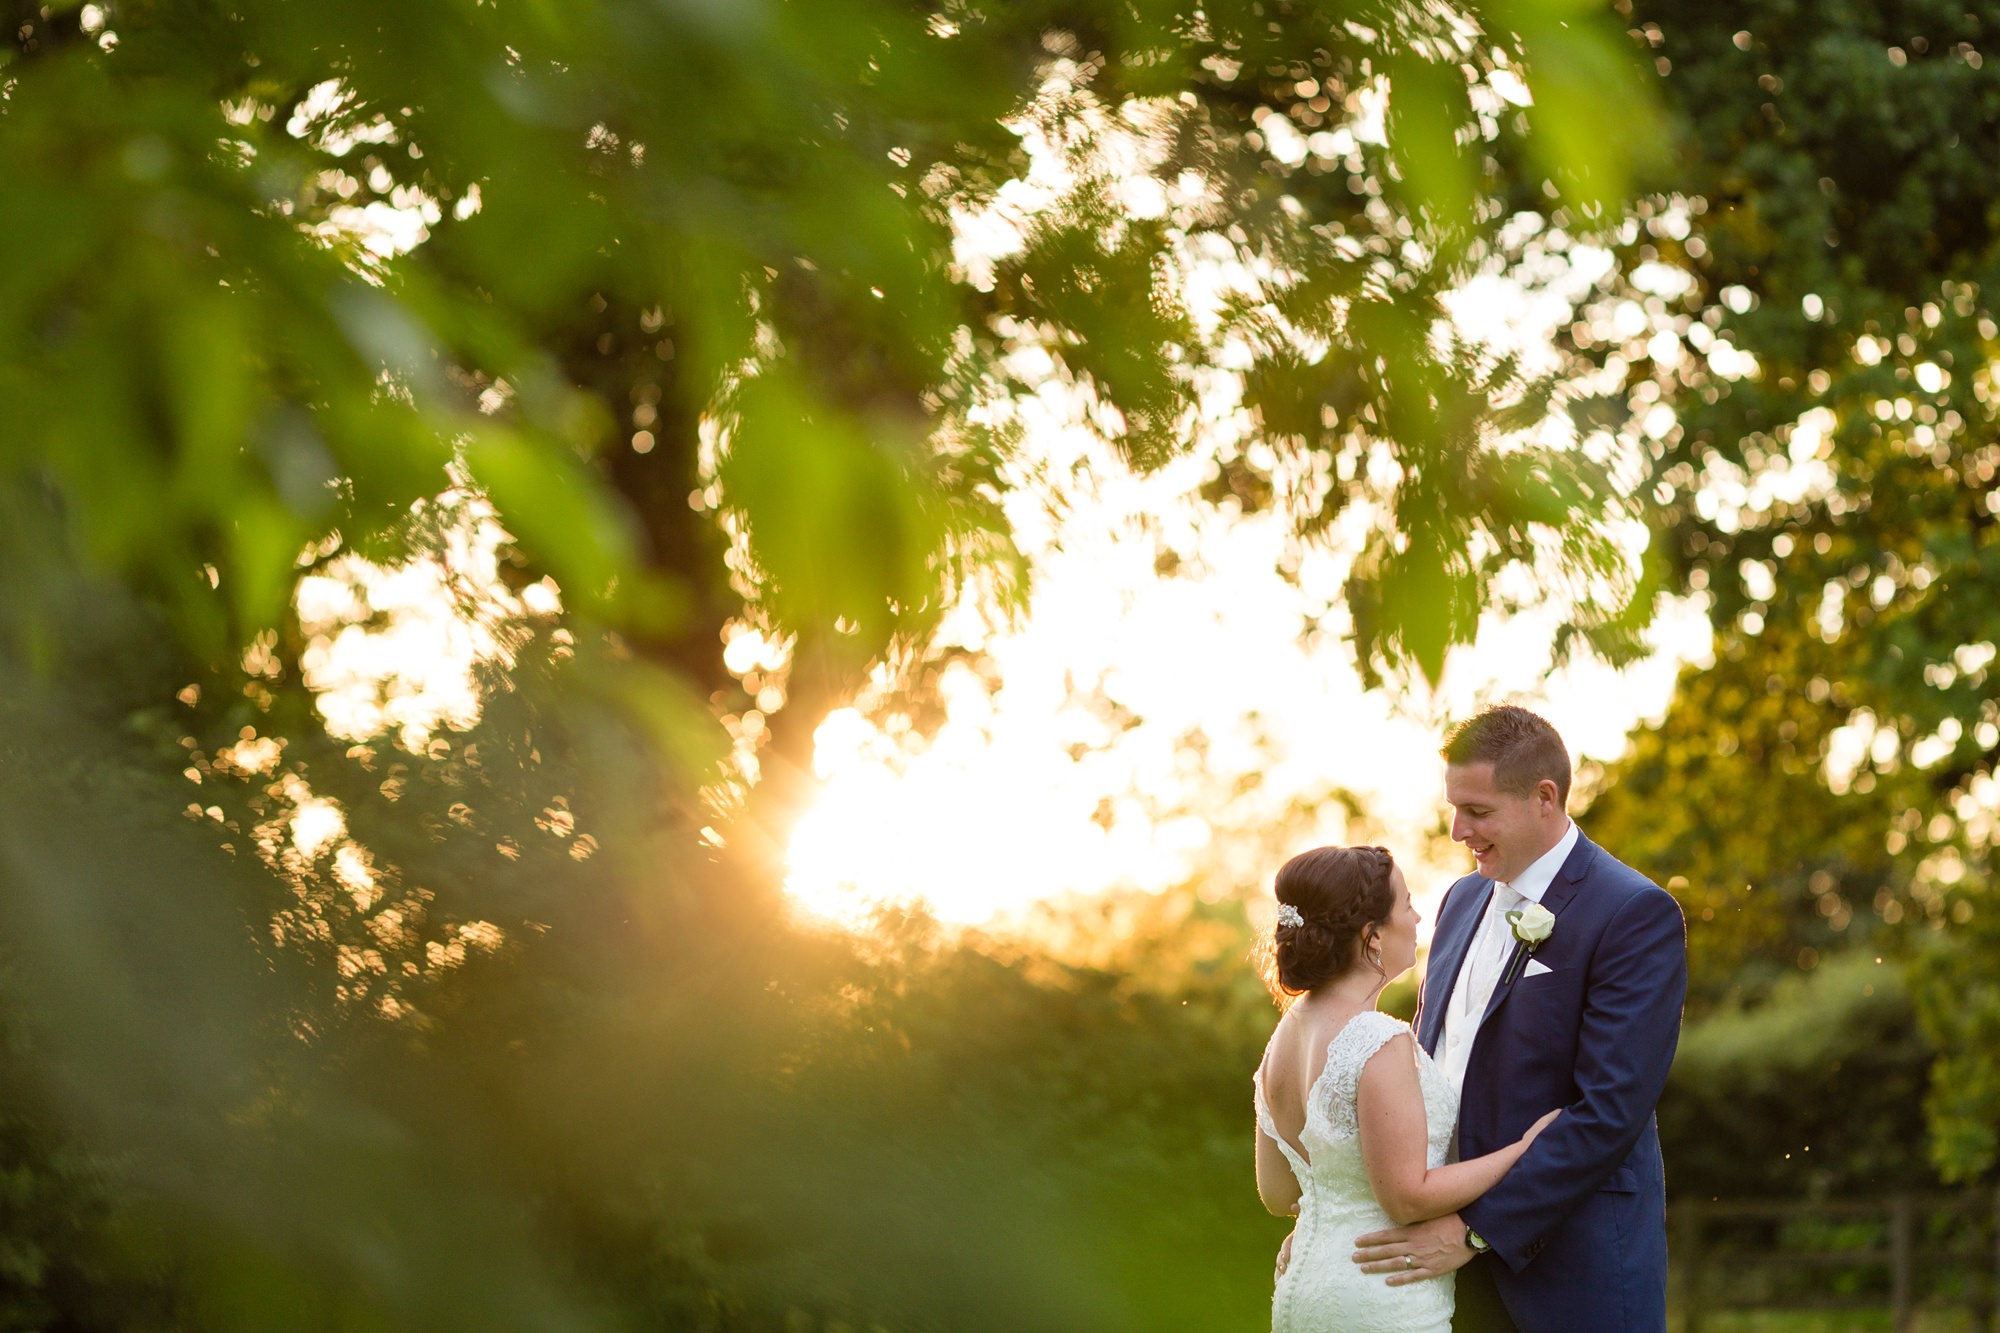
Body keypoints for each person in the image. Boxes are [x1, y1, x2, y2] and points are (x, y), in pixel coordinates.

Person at [1350, 705, 1688, 1331]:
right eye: (1454, 808)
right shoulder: (1459, 899)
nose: (1457, 830)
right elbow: (1431, 1067)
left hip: (1570, 1269)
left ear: (1544, 797)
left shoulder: (1634, 912)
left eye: (1478, 811)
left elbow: (1609, 1111)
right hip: (1442, 1272)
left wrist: (1476, 1232)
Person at [1253, 844, 1560, 1333]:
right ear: (1371, 937)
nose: (1418, 918)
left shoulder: (1283, 1038)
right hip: (1379, 1294)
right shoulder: (1378, 1038)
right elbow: (1407, 1197)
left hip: (1303, 1290)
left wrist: (1329, 1221)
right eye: (1407, 904)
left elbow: (1276, 1193)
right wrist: (1523, 1150)